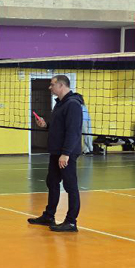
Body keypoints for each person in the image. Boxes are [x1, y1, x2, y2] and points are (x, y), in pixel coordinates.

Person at [28, 75, 84, 233]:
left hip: (66, 153)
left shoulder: (73, 104)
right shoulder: (60, 104)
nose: (49, 87)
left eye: (52, 84)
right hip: (56, 151)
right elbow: (59, 127)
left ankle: (71, 222)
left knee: (70, 186)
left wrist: (65, 154)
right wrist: (46, 125)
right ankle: (49, 216)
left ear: (61, 85)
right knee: (52, 182)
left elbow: (73, 132)